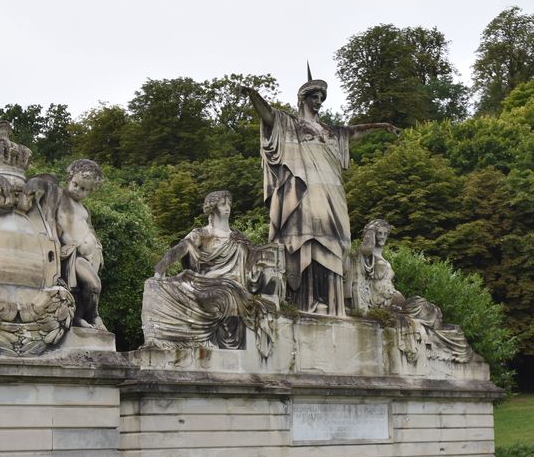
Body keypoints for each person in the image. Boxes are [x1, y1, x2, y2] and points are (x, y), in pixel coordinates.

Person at [242, 73, 399, 315]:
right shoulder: (290, 124)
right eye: (314, 97)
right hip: (305, 190)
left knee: (337, 241)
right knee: (309, 237)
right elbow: (269, 116)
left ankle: (334, 302)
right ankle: (308, 300)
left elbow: (352, 133)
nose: (318, 101)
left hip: (332, 190)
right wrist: (254, 96)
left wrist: (381, 126)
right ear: (303, 99)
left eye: (321, 98)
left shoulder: (330, 131)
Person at [143, 190, 276, 355]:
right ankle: (158, 338)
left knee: (228, 290)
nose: (227, 208)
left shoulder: (238, 238)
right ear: (213, 208)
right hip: (204, 284)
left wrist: (271, 257)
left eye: (229, 204)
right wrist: (161, 267)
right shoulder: (203, 234)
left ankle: (229, 349)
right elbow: (181, 248)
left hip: (232, 287)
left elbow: (255, 258)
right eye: (222, 204)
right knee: (153, 286)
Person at [356, 219, 472, 363]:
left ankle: (441, 344)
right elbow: (365, 250)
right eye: (379, 233)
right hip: (381, 301)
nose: (382, 236)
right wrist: (370, 232)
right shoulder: (367, 256)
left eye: (385, 233)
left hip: (395, 299)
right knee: (423, 307)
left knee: (430, 308)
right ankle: (444, 347)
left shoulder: (384, 258)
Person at [56, 159, 106, 329]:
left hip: (91, 255)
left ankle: (79, 317)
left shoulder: (84, 209)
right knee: (94, 285)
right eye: (76, 184)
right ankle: (94, 316)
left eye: (85, 189)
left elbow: (89, 228)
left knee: (86, 288)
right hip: (73, 253)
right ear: (69, 178)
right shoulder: (58, 197)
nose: (79, 191)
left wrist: (97, 246)